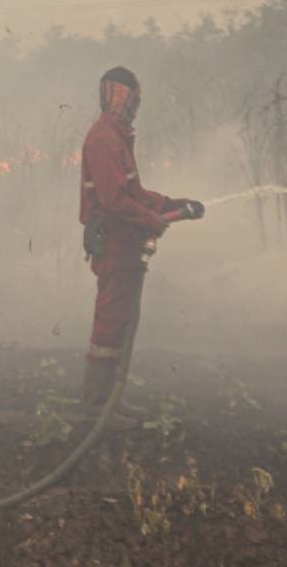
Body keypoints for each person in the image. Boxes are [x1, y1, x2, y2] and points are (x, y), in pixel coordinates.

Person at [79, 67, 204, 418]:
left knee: (120, 319)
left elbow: (132, 192)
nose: (136, 106)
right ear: (123, 96)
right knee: (111, 318)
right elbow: (113, 200)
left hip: (125, 241)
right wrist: (153, 221)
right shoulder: (105, 139)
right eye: (134, 98)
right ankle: (97, 406)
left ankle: (110, 401)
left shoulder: (115, 136)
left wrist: (170, 205)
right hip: (116, 242)